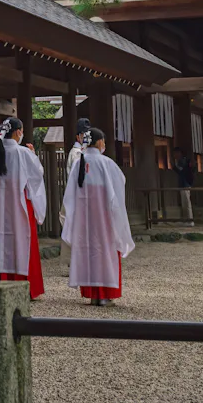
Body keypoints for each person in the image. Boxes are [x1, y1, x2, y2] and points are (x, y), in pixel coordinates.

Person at [62, 127, 135, 307]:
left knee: (88, 253)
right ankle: (104, 295)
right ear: (100, 142)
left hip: (84, 221)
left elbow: (69, 196)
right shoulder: (107, 163)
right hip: (103, 220)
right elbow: (120, 184)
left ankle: (93, 295)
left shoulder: (79, 164)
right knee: (105, 252)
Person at [0, 117, 47, 299]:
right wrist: (33, 155)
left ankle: (3, 283)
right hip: (20, 206)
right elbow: (37, 177)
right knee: (23, 242)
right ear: (18, 132)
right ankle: (26, 288)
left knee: (2, 241)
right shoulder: (22, 153)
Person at [59, 117, 92, 230]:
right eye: (84, 135)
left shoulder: (84, 153)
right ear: (78, 137)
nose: (87, 138)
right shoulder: (76, 154)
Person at [171, 146, 195, 225]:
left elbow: (181, 171)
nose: (174, 155)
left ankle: (190, 220)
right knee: (185, 203)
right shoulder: (182, 161)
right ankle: (186, 220)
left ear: (179, 153)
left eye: (175, 153)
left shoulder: (182, 161)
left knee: (187, 203)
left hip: (185, 184)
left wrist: (174, 167)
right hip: (184, 184)